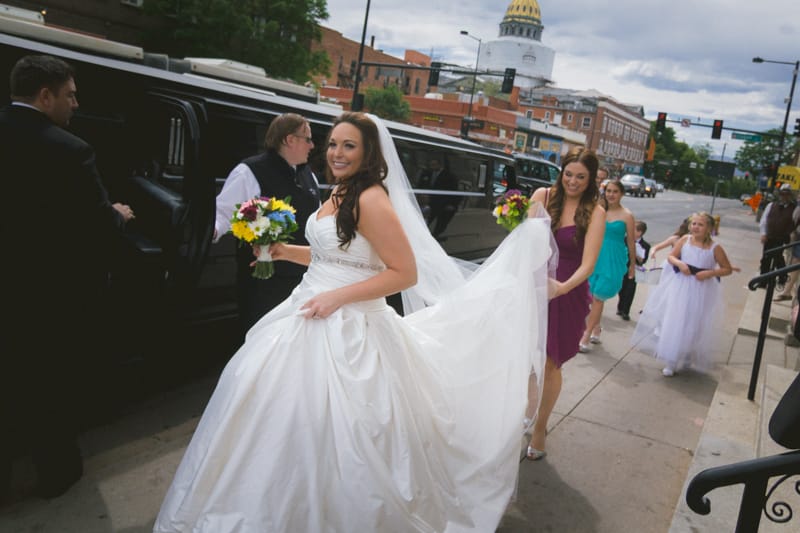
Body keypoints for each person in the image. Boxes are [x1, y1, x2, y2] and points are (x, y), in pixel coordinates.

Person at [153, 112, 553, 532]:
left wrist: (336, 298)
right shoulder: (339, 190)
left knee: (347, 432)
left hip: (350, 327)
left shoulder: (372, 199)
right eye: (332, 144)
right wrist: (286, 252)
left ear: (368, 153)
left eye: (349, 146)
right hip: (306, 309)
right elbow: (336, 257)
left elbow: (404, 273)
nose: (336, 153)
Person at [0, 54, 134, 500]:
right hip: (47, 295)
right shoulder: (71, 150)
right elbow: (94, 223)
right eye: (70, 95)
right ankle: (56, 474)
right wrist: (117, 214)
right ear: (45, 96)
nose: (75, 104)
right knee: (47, 385)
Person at [522, 148, 606, 461]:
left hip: (567, 291)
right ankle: (527, 413)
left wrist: (561, 288)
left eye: (581, 177)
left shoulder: (595, 212)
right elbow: (523, 243)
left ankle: (540, 427)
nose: (573, 181)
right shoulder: (542, 196)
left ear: (591, 179)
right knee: (527, 360)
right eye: (568, 174)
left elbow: (589, 264)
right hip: (532, 287)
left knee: (550, 362)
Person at [213, 113, 320, 337]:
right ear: (290, 140)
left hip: (302, 280)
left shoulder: (309, 176)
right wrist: (211, 231)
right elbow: (223, 213)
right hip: (262, 281)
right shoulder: (249, 171)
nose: (312, 145)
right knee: (261, 337)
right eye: (308, 139)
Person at [631, 212, 733, 376]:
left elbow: (727, 269)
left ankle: (687, 353)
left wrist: (710, 273)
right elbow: (671, 256)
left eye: (700, 224)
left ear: (709, 228)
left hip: (702, 288)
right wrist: (680, 263)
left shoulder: (715, 248)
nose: (695, 227)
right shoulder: (685, 240)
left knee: (694, 323)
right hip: (681, 285)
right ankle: (670, 360)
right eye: (694, 224)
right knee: (676, 320)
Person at [579, 179, 636, 350]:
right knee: (591, 295)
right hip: (596, 254)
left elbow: (631, 242)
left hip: (613, 259)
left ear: (622, 194)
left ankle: (586, 335)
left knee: (599, 296)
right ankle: (596, 328)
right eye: (609, 191)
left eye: (615, 191)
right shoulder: (599, 210)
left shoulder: (627, 215)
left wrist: (632, 265)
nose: (611, 195)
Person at [758, 184, 799, 290]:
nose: (784, 196)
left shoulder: (794, 208)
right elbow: (764, 220)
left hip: (782, 238)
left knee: (778, 258)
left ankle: (782, 278)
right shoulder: (771, 205)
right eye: (782, 194)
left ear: (790, 195)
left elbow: (795, 223)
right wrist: (763, 233)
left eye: (786, 194)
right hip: (770, 236)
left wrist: (791, 235)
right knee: (766, 258)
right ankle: (763, 282)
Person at [616, 221, 650, 321]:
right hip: (623, 266)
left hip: (635, 269)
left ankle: (626, 311)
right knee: (621, 288)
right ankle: (620, 307)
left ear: (640, 232)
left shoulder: (645, 245)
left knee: (630, 289)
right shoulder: (624, 239)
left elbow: (643, 260)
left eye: (634, 229)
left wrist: (636, 255)